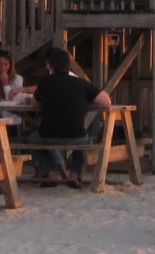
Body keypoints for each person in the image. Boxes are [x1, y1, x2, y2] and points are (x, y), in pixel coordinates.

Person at [31, 48, 110, 187]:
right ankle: (74, 175)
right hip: (75, 136)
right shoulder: (80, 83)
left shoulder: (45, 82)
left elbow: (35, 102)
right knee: (84, 136)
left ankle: (50, 173)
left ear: (51, 66)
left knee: (32, 139)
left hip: (48, 135)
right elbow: (106, 101)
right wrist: (85, 100)